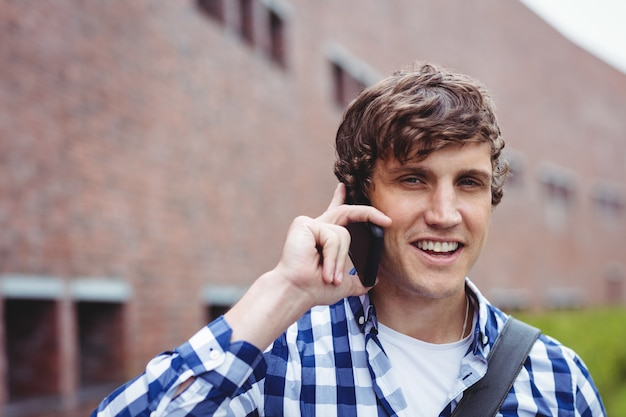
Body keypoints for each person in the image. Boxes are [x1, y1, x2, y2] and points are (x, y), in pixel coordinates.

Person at [92, 62, 606, 416]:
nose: (446, 214)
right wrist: (284, 291)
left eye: (467, 183)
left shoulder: (557, 380)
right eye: (413, 179)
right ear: (360, 198)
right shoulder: (277, 364)